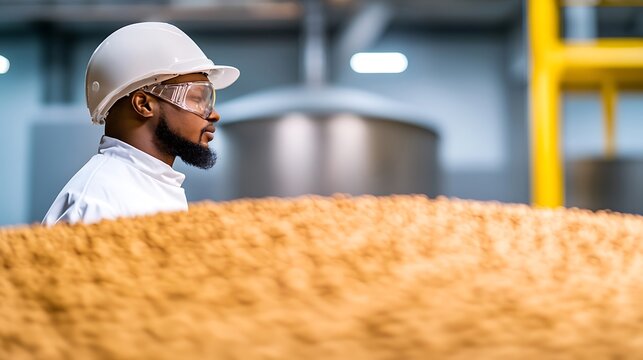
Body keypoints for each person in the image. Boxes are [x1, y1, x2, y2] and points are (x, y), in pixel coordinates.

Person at [42, 22, 240, 225]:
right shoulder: (97, 205)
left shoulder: (147, 187)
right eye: (198, 99)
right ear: (144, 104)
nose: (214, 115)